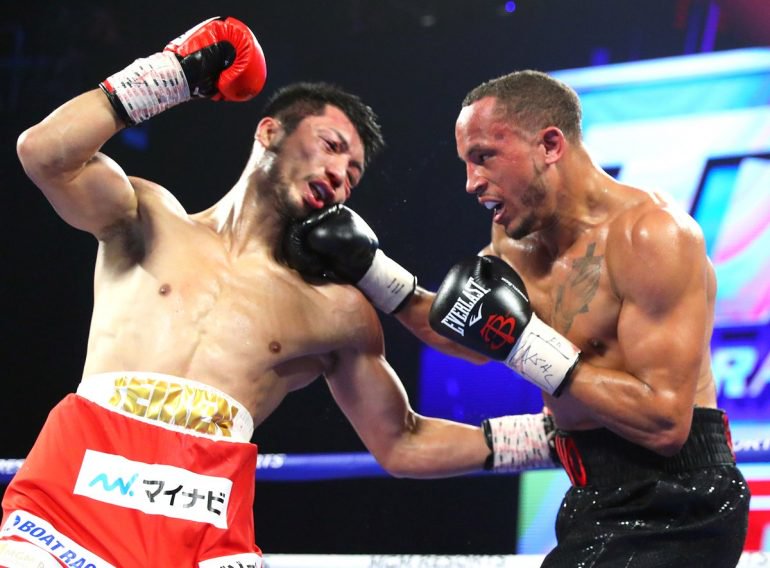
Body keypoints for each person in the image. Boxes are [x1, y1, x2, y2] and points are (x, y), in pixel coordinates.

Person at [0, 15, 507, 568]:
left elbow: (403, 441)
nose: (339, 174)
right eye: (331, 146)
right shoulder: (148, 219)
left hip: (203, 536)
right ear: (269, 132)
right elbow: (44, 153)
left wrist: (548, 437)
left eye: (353, 174)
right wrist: (171, 76)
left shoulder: (333, 309)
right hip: (68, 510)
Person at [284, 70, 751, 567]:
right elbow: (463, 328)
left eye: (483, 156)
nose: (471, 182)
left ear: (549, 144)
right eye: (466, 163)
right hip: (592, 493)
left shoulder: (652, 236)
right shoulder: (514, 241)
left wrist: (526, 345)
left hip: (683, 500)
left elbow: (665, 423)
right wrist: (371, 270)